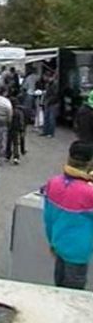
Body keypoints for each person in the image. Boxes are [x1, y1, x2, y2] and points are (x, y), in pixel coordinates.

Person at [43, 141, 93, 290]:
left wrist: (52, 241)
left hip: (58, 243)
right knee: (73, 294)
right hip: (79, 252)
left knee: (59, 287)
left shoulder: (53, 183)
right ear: (89, 163)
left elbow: (48, 217)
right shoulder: (89, 193)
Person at [6, 97, 27, 165]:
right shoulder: (19, 112)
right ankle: (16, 157)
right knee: (15, 144)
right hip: (17, 129)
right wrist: (22, 130)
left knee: (8, 142)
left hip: (9, 129)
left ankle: (8, 155)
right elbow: (21, 122)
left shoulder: (9, 111)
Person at [42, 72, 59, 138]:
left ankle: (50, 133)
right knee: (46, 117)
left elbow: (55, 95)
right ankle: (45, 131)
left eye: (45, 77)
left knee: (51, 118)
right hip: (48, 102)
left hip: (52, 103)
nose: (44, 78)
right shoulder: (48, 84)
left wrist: (48, 101)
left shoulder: (54, 84)